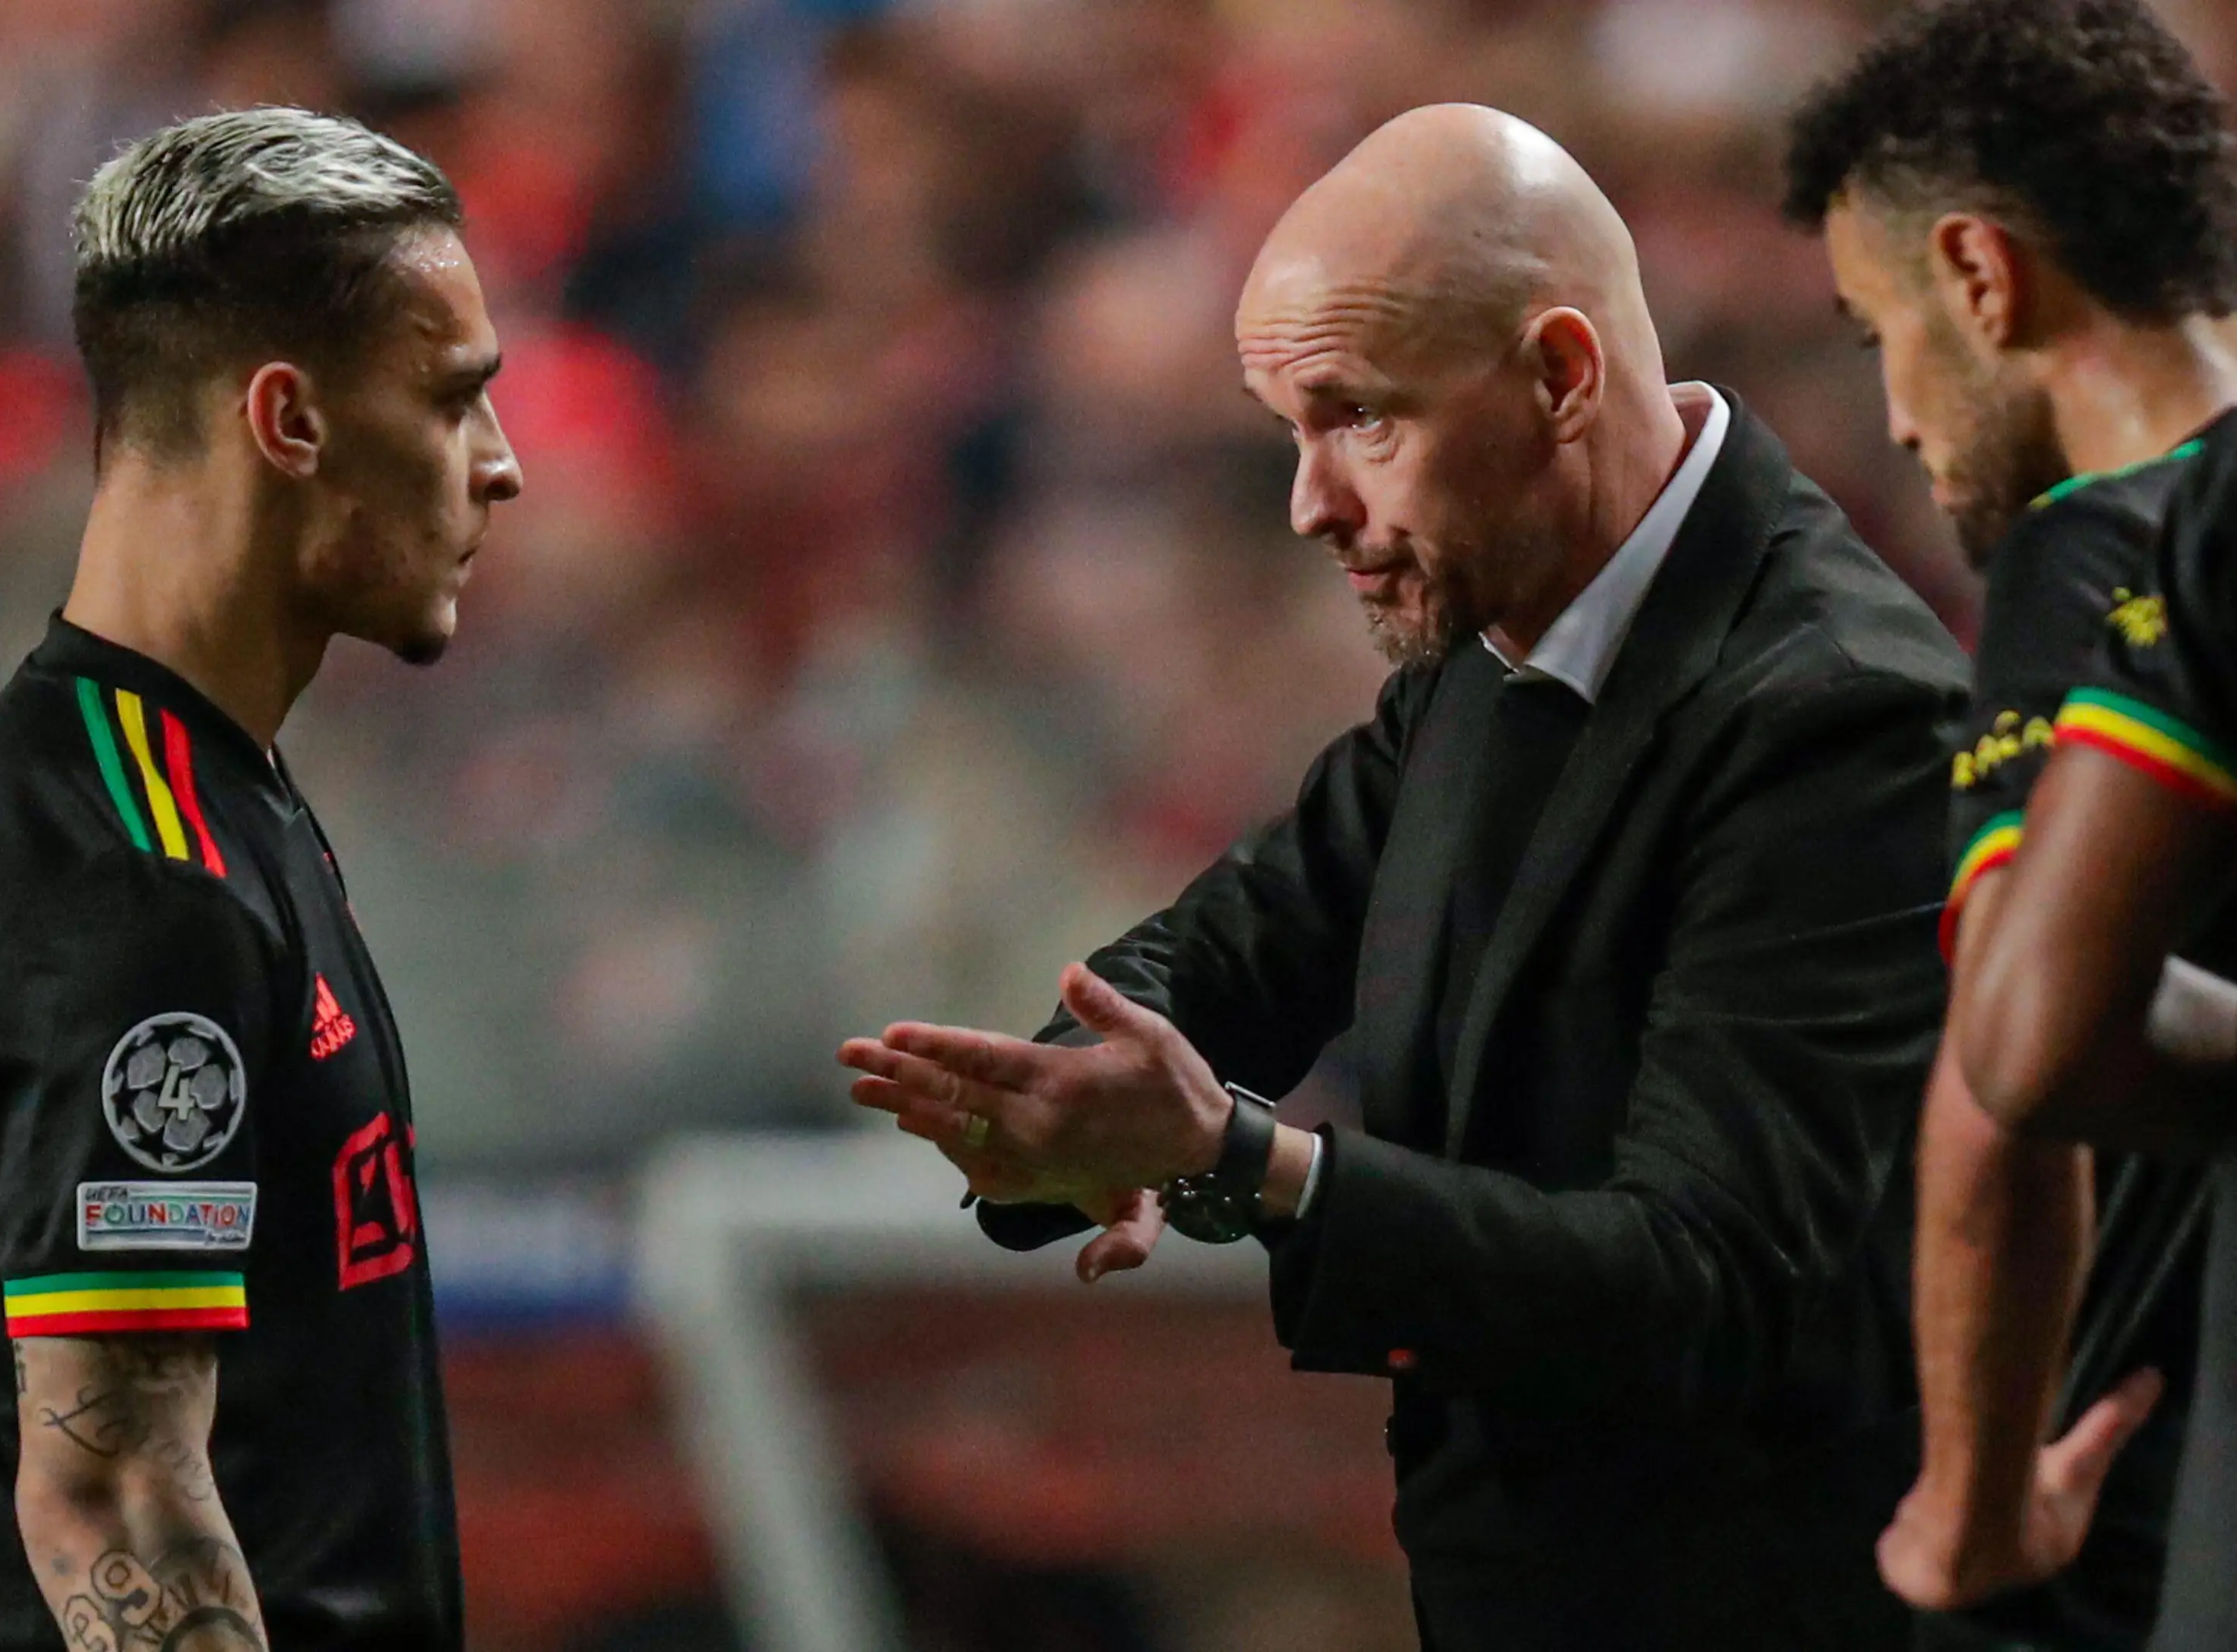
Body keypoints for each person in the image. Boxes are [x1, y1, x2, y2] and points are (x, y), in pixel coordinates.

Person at [839, 103, 1964, 1650]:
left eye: (1358, 419)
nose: (1312, 504)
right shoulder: (1494, 633)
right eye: (1288, 431)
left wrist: (1239, 1160)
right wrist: (1068, 1109)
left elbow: (1700, 1285)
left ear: (1561, 376)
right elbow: (1229, 950)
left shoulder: (1839, 716)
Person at [0, 106, 519, 1652]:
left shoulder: (182, 801)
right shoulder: (133, 879)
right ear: (287, 421)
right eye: (453, 401)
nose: (503, 467)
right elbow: (111, 1496)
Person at [1781, 2, 2237, 1645]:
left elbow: (2007, 1077)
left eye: (1872, 330)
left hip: (2132, 1507)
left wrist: (1972, 1513)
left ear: (1979, 278)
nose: (1897, 415)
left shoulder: (2108, 541)